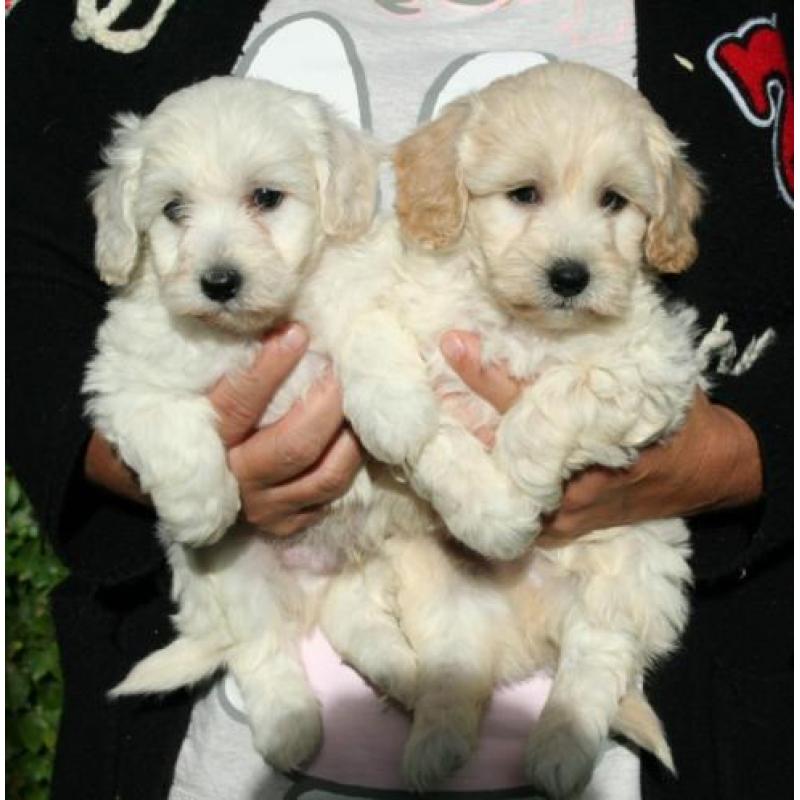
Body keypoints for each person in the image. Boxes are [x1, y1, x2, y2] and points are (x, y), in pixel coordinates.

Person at [6, 1, 791, 799]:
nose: (567, 251)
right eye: (523, 194)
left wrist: (743, 456)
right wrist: (145, 454)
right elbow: (24, 262)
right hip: (222, 745)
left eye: (614, 204)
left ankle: (580, 690)